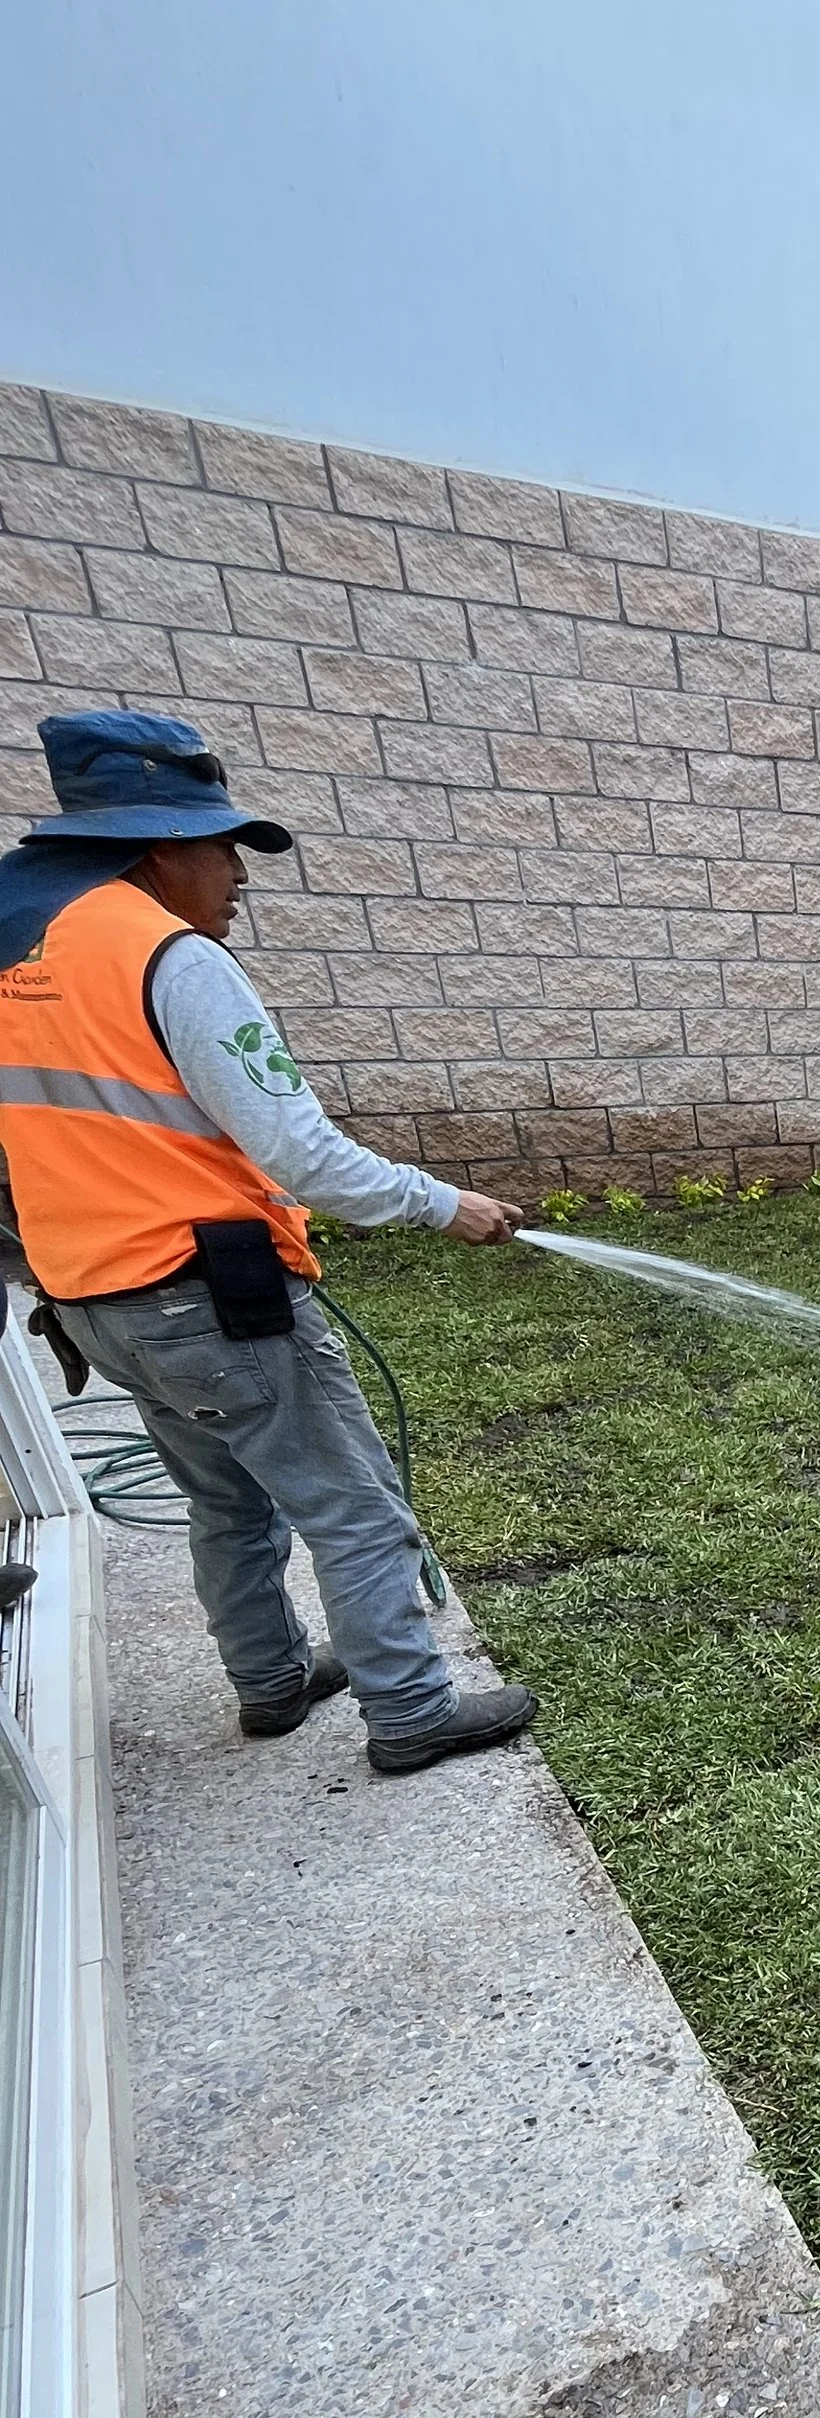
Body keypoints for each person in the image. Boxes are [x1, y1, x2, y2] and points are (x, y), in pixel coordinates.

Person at [0, 710, 536, 1773]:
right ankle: (413, 1711)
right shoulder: (165, 954)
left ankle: (274, 1682)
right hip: (215, 1296)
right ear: (158, 849)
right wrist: (445, 1205)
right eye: (223, 849)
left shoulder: (16, 934)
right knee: (354, 1507)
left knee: (227, 1504)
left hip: (92, 1303)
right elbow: (301, 1152)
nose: (239, 876)